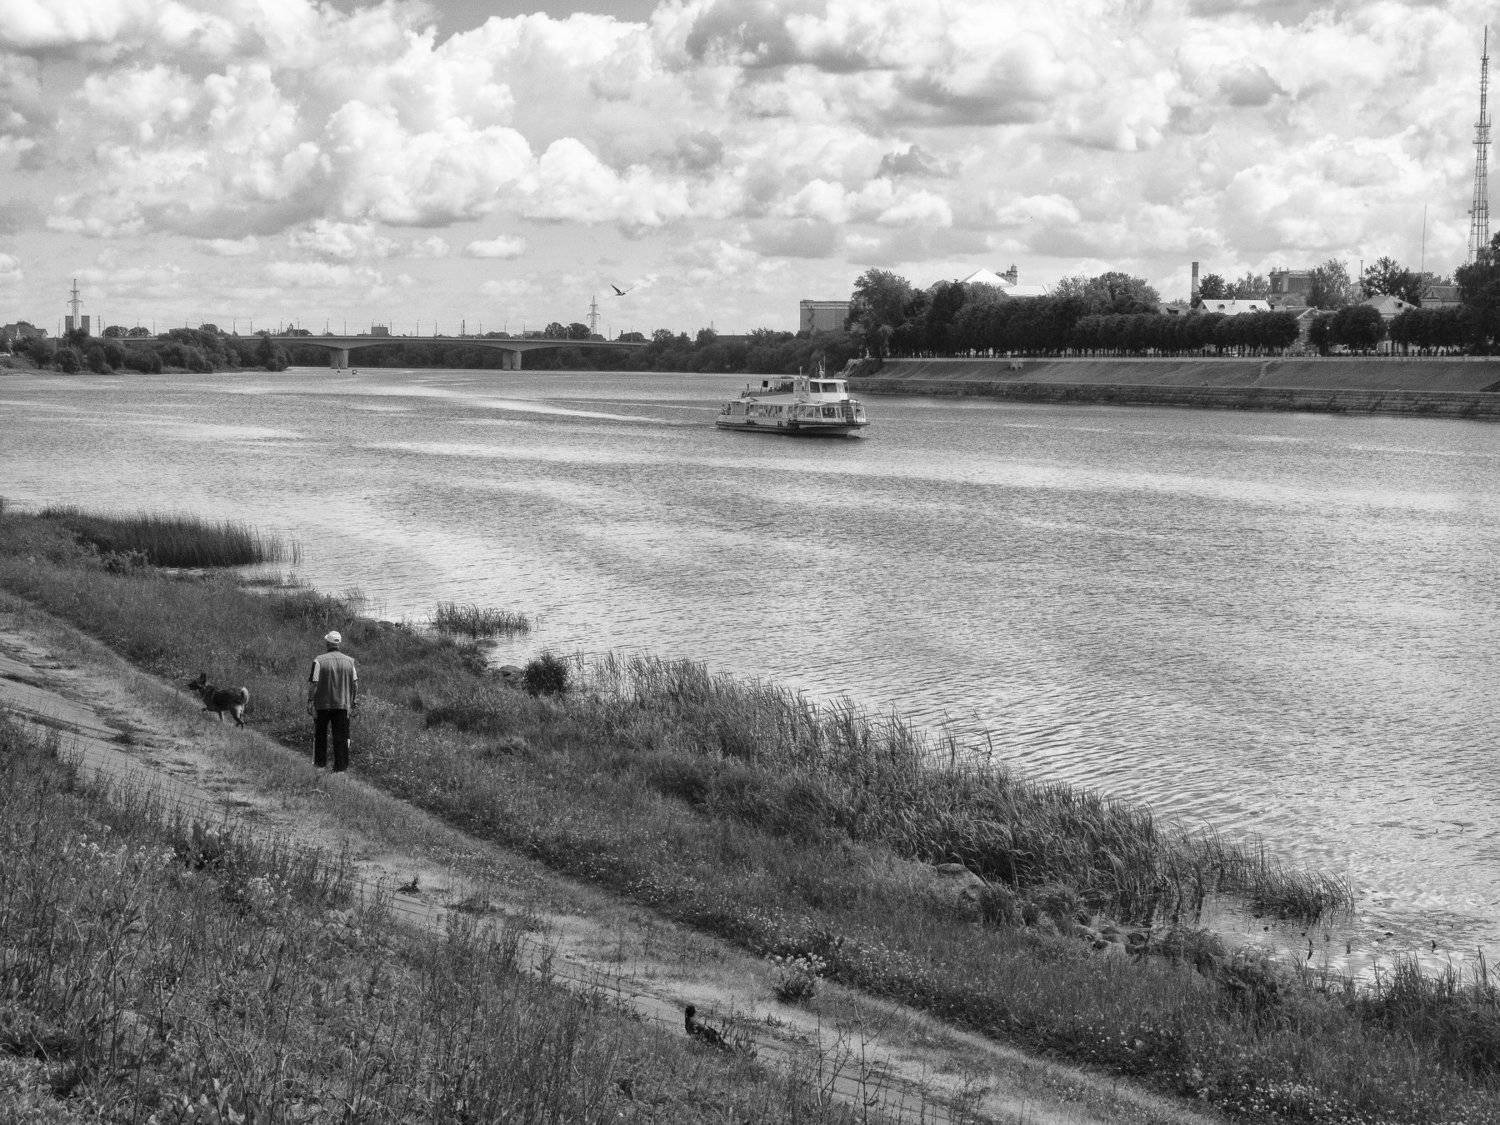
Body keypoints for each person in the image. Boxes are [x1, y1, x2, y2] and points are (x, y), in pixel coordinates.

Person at [307, 630, 358, 771]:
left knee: (320, 735)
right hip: (342, 704)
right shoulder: (350, 661)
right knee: (340, 737)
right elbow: (355, 684)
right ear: (339, 644)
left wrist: (310, 701)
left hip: (322, 705)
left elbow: (314, 684)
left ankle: (320, 765)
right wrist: (353, 701)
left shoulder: (318, 660)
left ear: (327, 643)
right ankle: (340, 768)